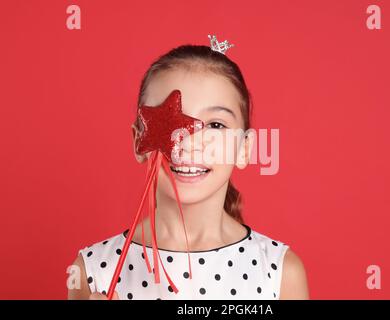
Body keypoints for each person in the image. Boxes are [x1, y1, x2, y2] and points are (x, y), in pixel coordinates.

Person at [68, 43, 309, 300]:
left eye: (215, 124)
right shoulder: (92, 272)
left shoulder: (280, 272)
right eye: (168, 123)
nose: (188, 142)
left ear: (244, 148)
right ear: (139, 142)